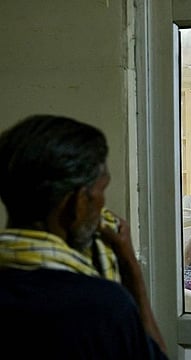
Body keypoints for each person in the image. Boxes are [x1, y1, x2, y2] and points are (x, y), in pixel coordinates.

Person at [0, 115, 168, 359]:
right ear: (78, 203)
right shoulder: (102, 307)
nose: (102, 206)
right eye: (102, 191)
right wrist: (131, 269)